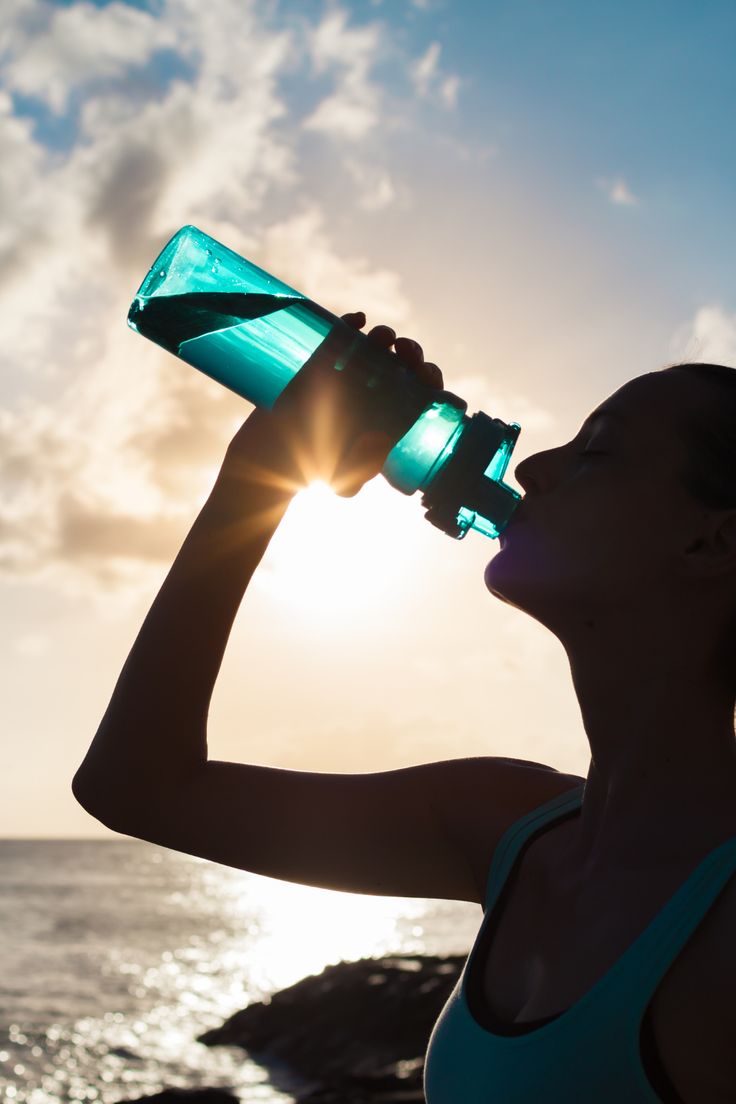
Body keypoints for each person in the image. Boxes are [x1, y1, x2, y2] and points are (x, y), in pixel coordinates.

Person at [73, 315, 736, 1103]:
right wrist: (259, 481)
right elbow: (134, 787)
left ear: (711, 544)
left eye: (596, 452)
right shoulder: (506, 825)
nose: (532, 468)